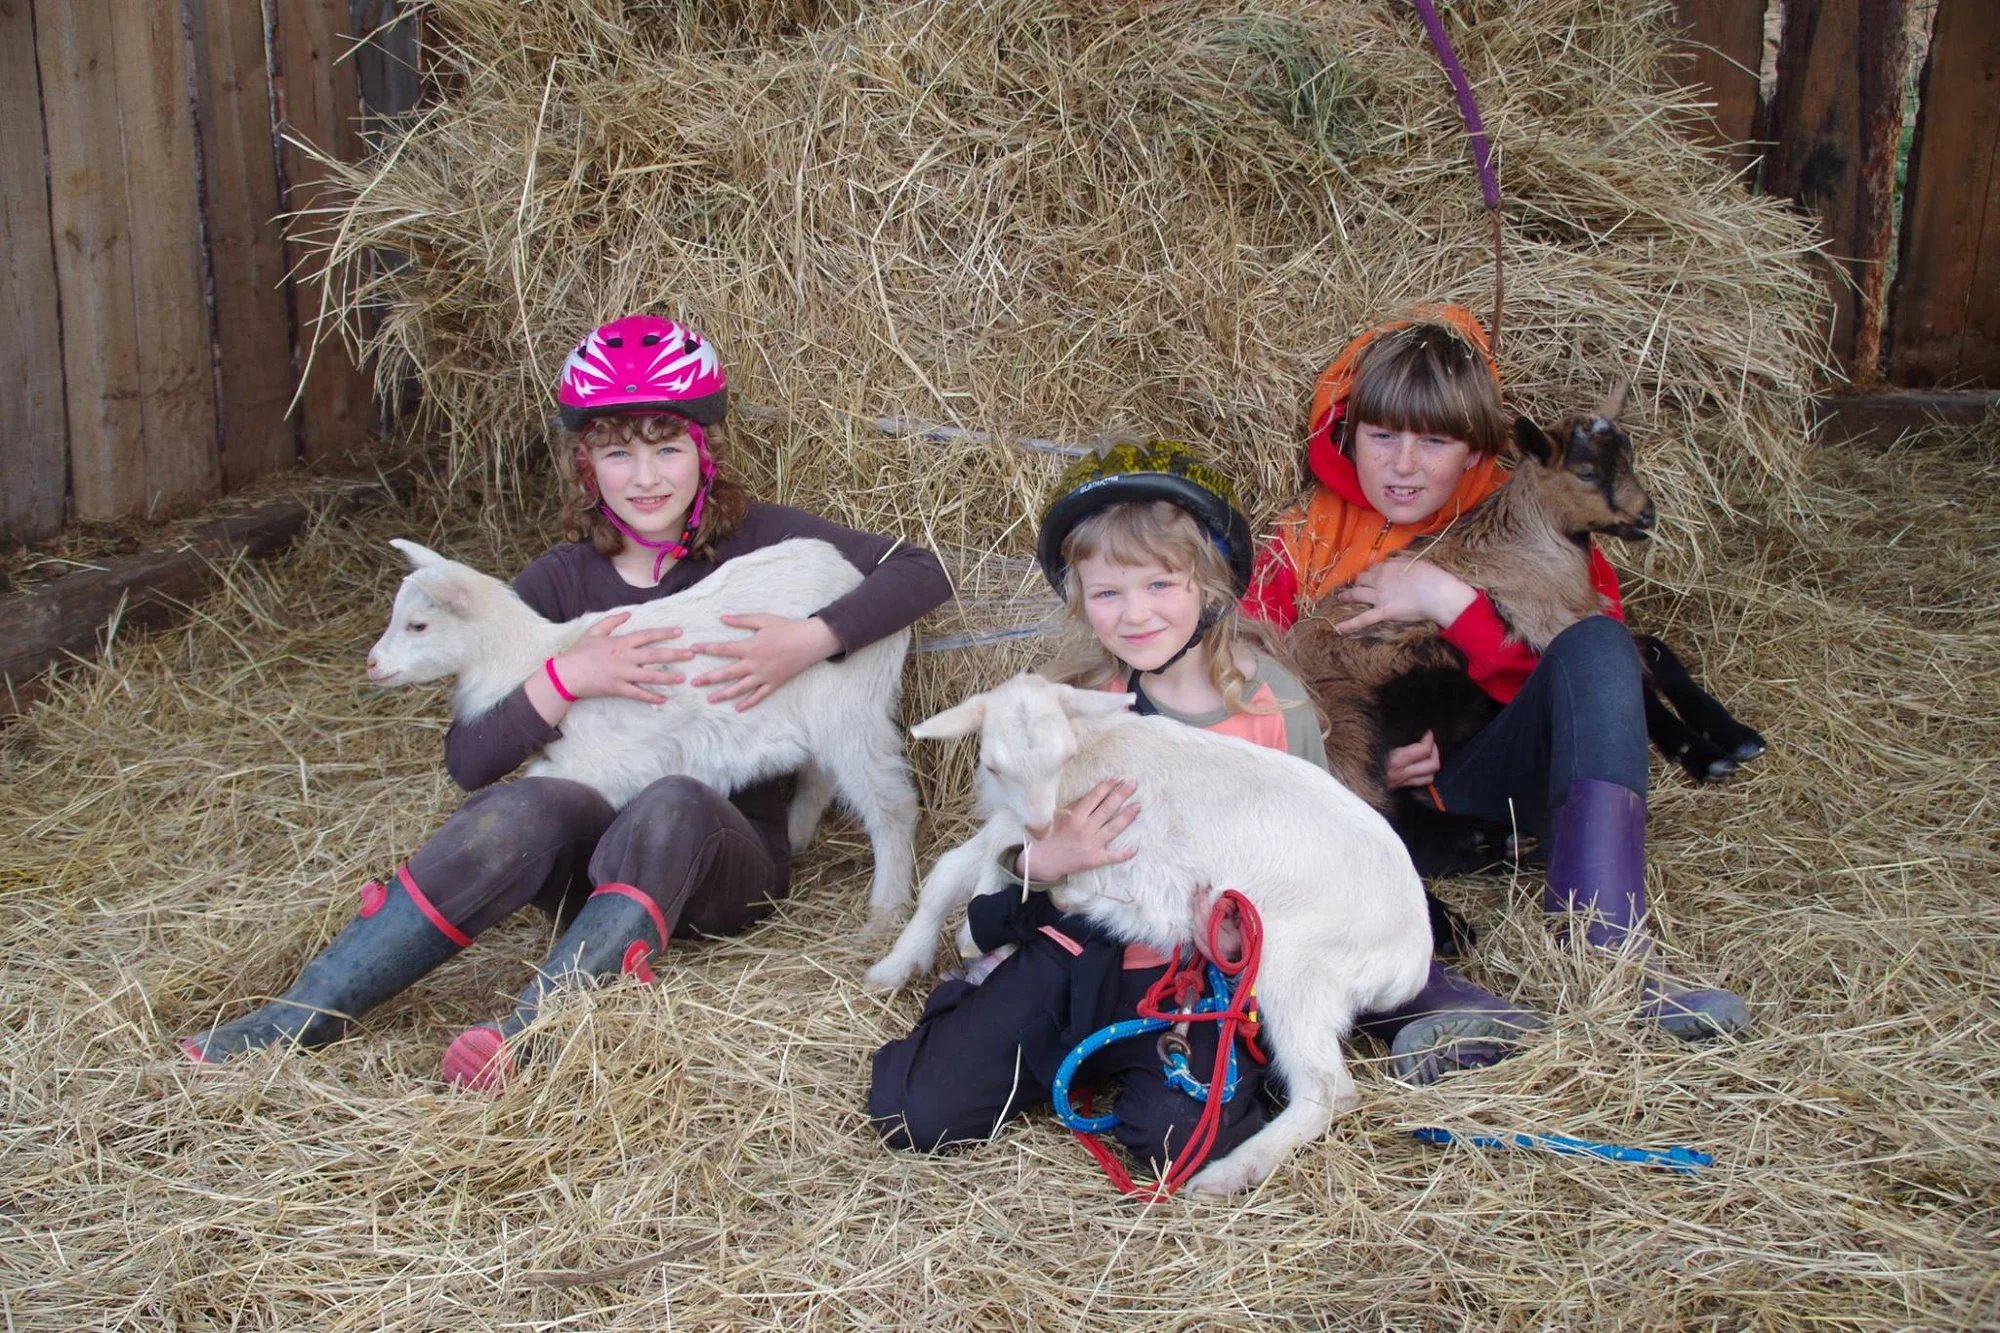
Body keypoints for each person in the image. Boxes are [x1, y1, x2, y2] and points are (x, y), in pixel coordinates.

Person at [181, 314, 953, 1091]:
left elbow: (920, 570)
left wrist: (810, 639)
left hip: (720, 862)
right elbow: (470, 760)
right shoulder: (558, 584)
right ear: (588, 465)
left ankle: (529, 1033)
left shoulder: (757, 542)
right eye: (619, 453)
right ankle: (295, 1016)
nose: (646, 476)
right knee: (519, 806)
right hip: (592, 870)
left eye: (667, 448)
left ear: (703, 452)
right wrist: (565, 678)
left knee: (672, 797)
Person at [1241, 306, 1751, 1084]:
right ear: (1346, 435)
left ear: (1482, 448)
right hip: (1370, 800)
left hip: (1499, 776)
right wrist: (1352, 754)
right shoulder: (1298, 545)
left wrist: (1451, 603)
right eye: (1382, 435)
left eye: (1436, 440)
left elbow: (1579, 686)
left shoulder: (1536, 530)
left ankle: (1610, 954)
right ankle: (1426, 999)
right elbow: (1243, 690)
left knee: (1603, 643)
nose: (1404, 465)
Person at [869, 441, 1321, 1171]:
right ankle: (1018, 1039)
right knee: (917, 1111)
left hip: (1193, 973)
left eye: (1160, 583)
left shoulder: (1271, 706)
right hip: (1078, 949)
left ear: (1208, 584)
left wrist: (1243, 940)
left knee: (1180, 1140)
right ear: (1080, 600)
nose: (1135, 613)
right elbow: (994, 903)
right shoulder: (1064, 709)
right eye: (1108, 592)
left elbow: (1313, 852)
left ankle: (1162, 1068)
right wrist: (1044, 862)